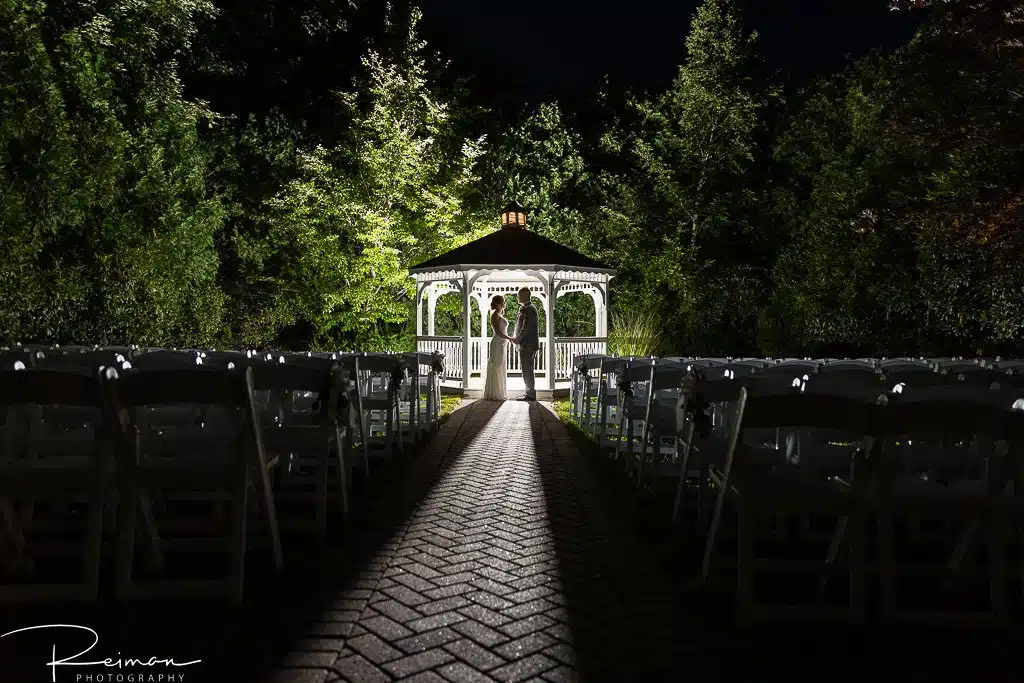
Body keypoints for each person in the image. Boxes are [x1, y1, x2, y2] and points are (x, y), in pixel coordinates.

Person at [483, 295, 513, 401]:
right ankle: (494, 393)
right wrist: (509, 338)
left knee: (501, 366)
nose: (505, 303)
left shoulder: (501, 313)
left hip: (503, 344)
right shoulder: (494, 314)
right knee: (496, 365)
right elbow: (497, 332)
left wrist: (508, 339)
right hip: (497, 343)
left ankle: (501, 391)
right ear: (499, 303)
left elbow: (503, 330)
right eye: (503, 301)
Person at [511, 287, 539, 401]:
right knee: (526, 369)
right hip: (526, 344)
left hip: (528, 344)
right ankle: (529, 392)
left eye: (519, 295)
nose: (517, 297)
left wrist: (517, 339)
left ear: (525, 296)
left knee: (527, 369)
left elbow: (526, 328)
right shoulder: (526, 308)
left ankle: (530, 394)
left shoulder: (529, 309)